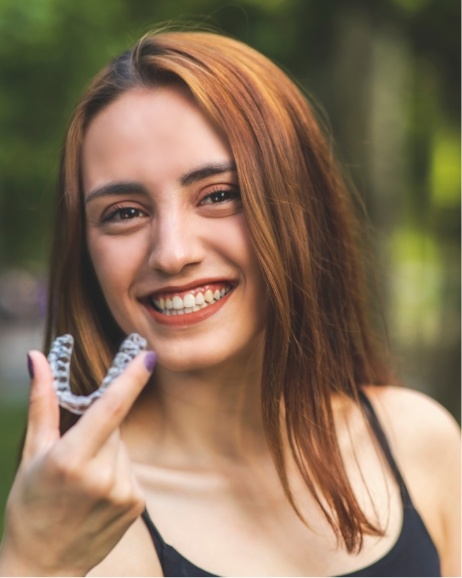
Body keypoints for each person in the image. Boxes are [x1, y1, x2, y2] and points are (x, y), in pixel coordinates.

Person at [0, 29, 460, 577]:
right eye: (124, 212)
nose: (171, 254)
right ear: (84, 252)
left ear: (302, 208)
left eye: (218, 195)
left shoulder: (419, 443)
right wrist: (32, 562)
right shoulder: (88, 525)